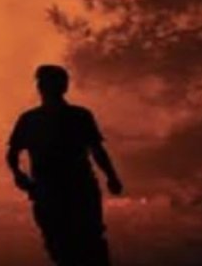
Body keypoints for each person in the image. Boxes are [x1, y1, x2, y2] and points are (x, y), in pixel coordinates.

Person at [8, 64, 123, 266]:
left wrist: (19, 175)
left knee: (73, 243)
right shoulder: (74, 116)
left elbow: (97, 151)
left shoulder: (37, 119)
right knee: (73, 243)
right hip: (63, 189)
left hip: (65, 190)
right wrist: (111, 177)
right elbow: (13, 153)